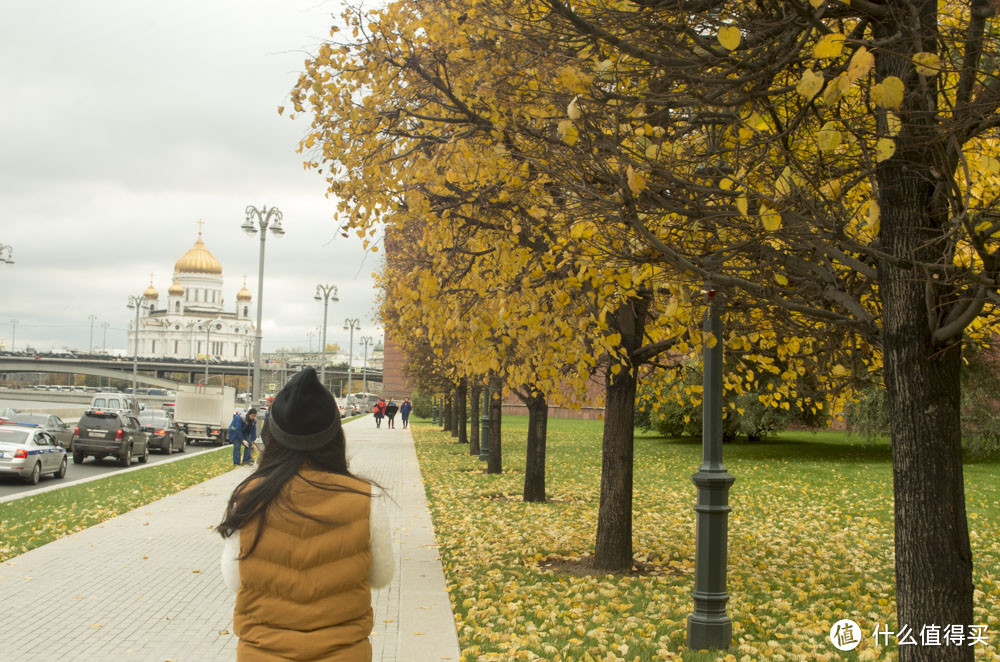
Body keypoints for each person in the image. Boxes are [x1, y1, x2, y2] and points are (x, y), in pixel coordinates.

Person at [217, 367, 393, 661]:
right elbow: (382, 576)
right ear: (335, 435)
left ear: (273, 435)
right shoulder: (364, 498)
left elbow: (234, 580)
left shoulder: (249, 497)